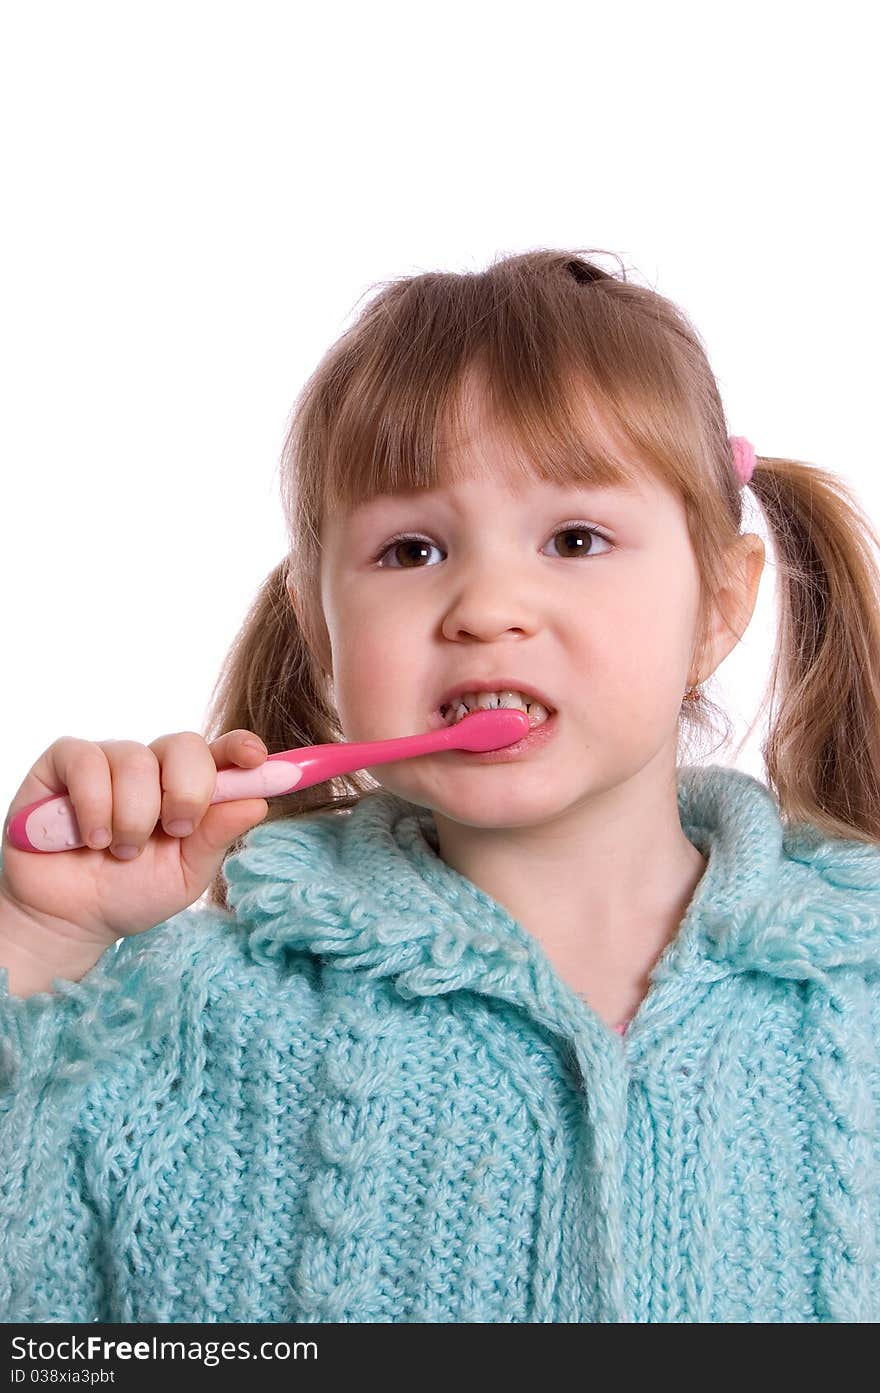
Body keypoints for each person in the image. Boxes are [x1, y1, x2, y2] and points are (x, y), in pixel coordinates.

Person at [2, 247, 880, 1324]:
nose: (485, 604)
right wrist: (36, 945)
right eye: (411, 550)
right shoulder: (191, 1017)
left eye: (574, 537)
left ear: (718, 604)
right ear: (321, 628)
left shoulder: (860, 998)